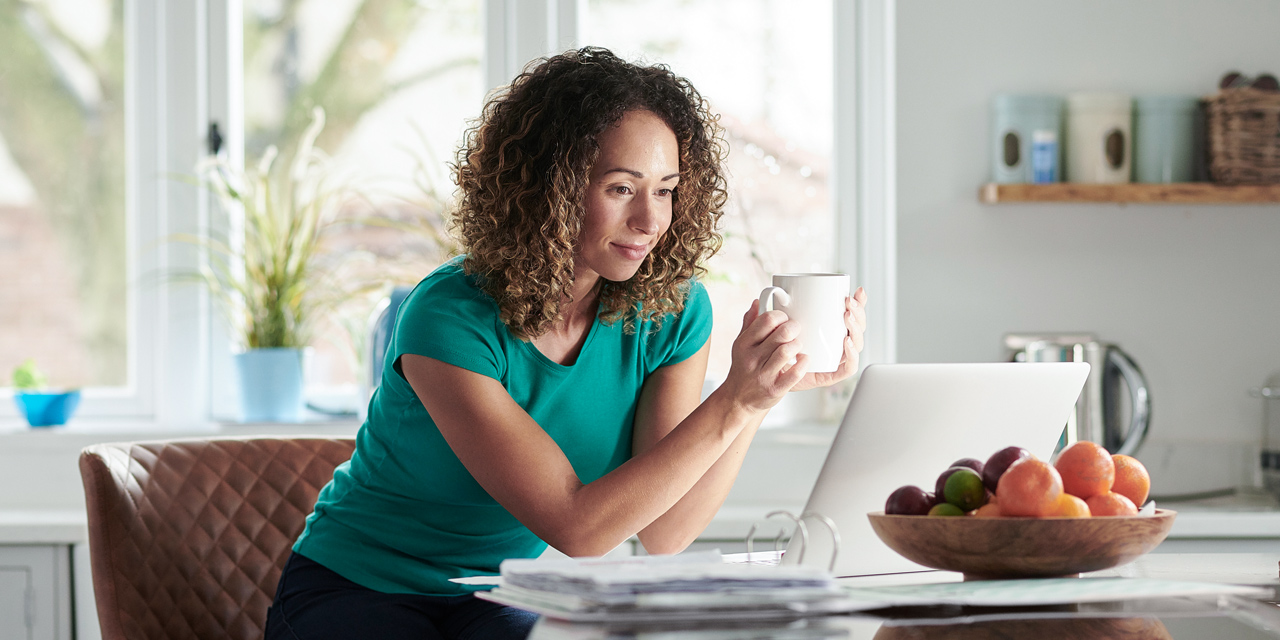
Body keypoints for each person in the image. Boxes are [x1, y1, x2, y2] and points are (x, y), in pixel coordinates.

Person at [265, 47, 868, 640]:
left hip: (491, 592)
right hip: (358, 585)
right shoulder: (450, 314)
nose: (650, 220)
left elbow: (667, 532)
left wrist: (758, 398)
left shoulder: (675, 314)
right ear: (547, 187)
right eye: (620, 188)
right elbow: (579, 529)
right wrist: (733, 399)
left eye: (665, 189)